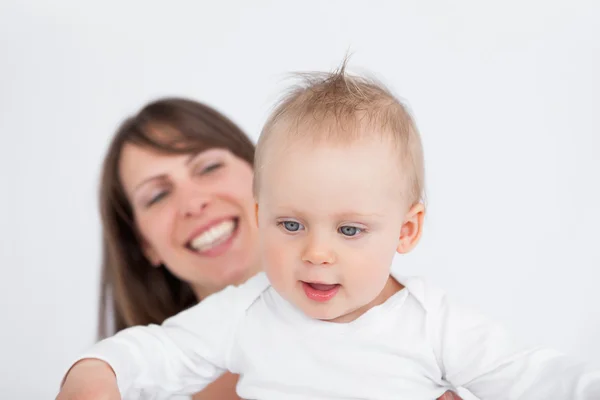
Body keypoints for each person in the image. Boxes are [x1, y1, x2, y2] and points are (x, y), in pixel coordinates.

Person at [67, 94, 469, 399]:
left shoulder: (423, 325)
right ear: (143, 245)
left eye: (208, 167)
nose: (193, 203)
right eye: (157, 195)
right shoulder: (195, 345)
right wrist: (91, 373)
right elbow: (132, 358)